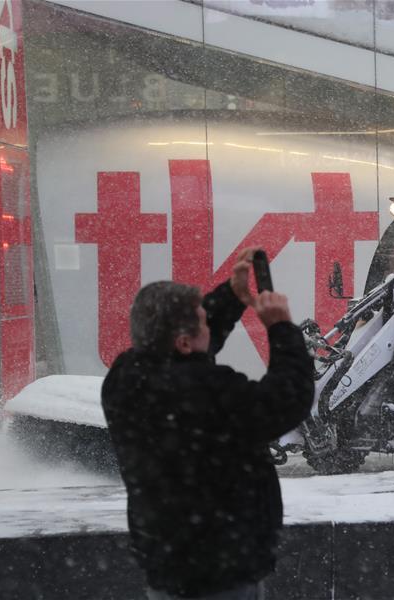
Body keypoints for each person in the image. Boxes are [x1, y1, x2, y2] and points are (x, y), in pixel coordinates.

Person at [101, 247, 314, 600]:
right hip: (221, 571)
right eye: (202, 321)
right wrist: (281, 329)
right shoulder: (208, 390)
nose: (207, 327)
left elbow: (186, 344)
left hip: (168, 565)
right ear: (184, 342)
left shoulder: (124, 378)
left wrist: (231, 296)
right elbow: (287, 400)